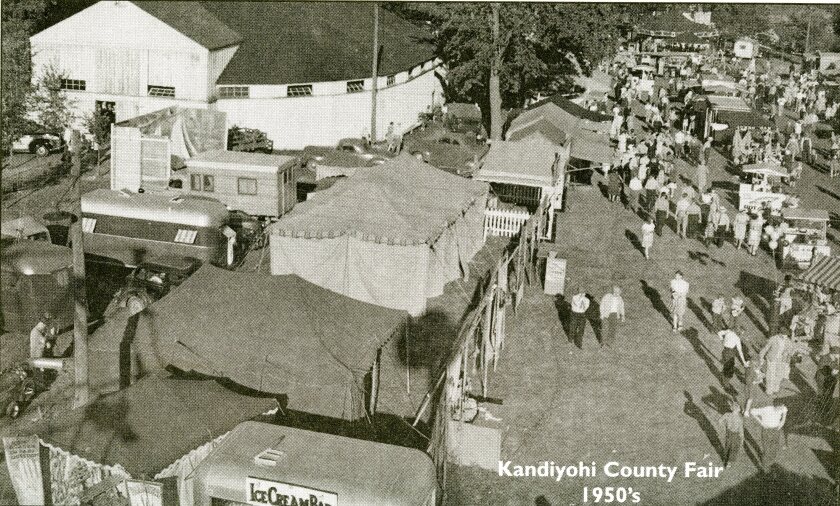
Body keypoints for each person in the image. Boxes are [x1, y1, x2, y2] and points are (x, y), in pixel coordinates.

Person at [747, 401, 788, 472]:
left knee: (774, 447)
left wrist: (781, 425)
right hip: (766, 430)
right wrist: (761, 423)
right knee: (767, 448)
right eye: (780, 407)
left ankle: (771, 462)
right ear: (776, 407)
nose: (782, 408)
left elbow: (784, 417)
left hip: (776, 430)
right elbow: (752, 411)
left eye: (782, 406)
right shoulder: (766, 409)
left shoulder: (783, 408)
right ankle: (765, 466)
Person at [718, 400, 745, 468]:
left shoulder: (727, 414)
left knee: (727, 446)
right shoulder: (739, 419)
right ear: (738, 410)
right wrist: (742, 439)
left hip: (728, 432)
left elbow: (720, 421)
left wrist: (726, 426)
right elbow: (741, 430)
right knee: (734, 448)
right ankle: (729, 462)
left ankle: (725, 459)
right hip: (736, 434)